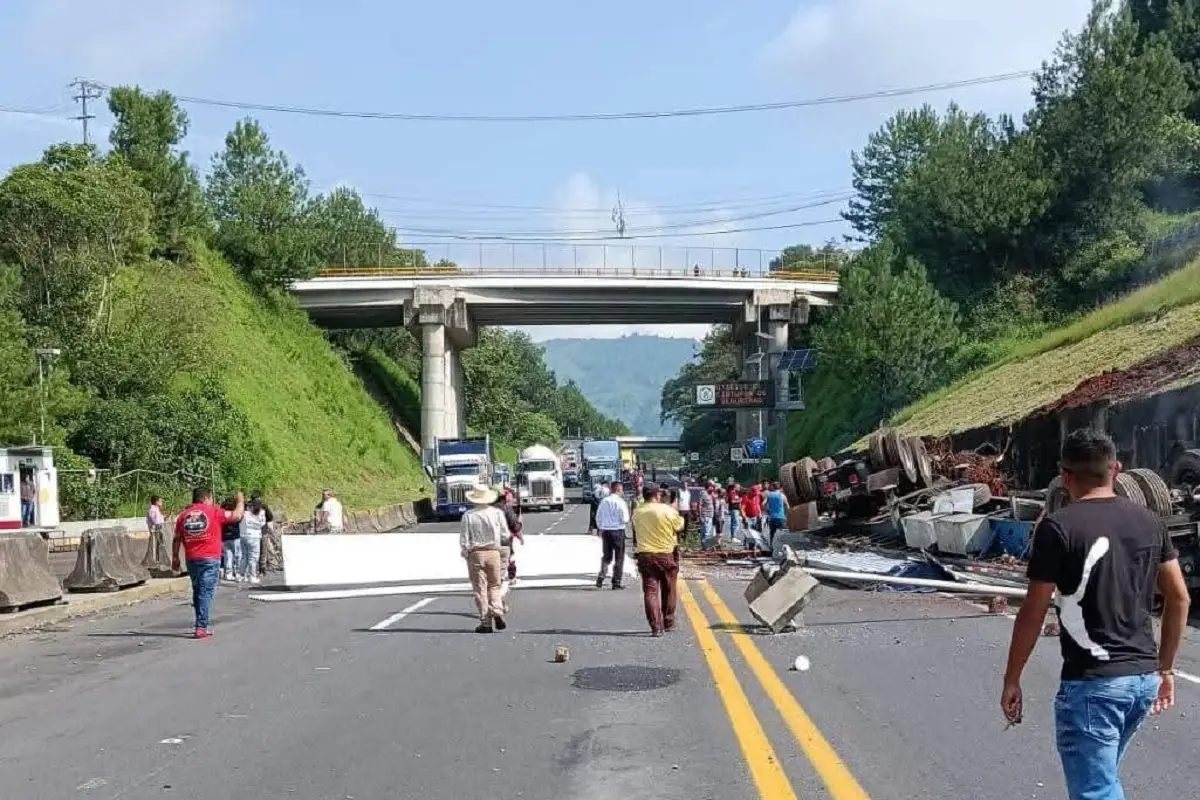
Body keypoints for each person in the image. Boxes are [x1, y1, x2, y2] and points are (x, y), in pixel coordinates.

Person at [1001, 429, 1190, 800]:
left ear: (1064, 476)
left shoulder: (1057, 528)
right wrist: (1165, 669)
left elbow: (1033, 611)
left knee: (1096, 791)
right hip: (1140, 681)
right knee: (1103, 782)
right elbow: (1179, 598)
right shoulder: (1151, 522)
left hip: (1094, 687)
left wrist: (1012, 678)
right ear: (1116, 469)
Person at [172, 487, 244, 638]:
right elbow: (237, 516)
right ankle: (201, 626)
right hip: (210, 558)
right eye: (211, 499)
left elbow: (177, 538)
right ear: (206, 499)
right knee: (206, 592)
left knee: (198, 590)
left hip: (191, 559)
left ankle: (200, 623)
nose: (212, 501)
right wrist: (240, 500)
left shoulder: (183, 516)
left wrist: (175, 558)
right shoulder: (214, 512)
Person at [631, 486, 685, 636]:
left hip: (645, 555)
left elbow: (635, 529)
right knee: (669, 589)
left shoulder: (637, 512)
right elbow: (680, 526)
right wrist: (675, 511)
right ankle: (668, 621)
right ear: (657, 495)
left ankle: (656, 626)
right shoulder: (668, 511)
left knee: (650, 592)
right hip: (666, 553)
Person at [459, 485, 509, 633]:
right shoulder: (497, 513)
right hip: (494, 552)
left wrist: (466, 552)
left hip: (476, 553)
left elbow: (464, 539)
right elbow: (505, 534)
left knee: (480, 588)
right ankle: (498, 610)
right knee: (495, 585)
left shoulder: (469, 515)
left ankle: (485, 622)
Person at [595, 480, 631, 590]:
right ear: (619, 490)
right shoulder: (620, 502)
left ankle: (602, 574)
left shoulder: (604, 501)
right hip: (618, 531)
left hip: (606, 531)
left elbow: (598, 517)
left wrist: (601, 527)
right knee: (619, 557)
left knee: (607, 555)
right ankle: (616, 581)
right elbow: (625, 519)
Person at [496, 488, 524, 598]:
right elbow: (515, 526)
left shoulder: (488, 510)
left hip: (488, 543)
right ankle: (509, 578)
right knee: (509, 558)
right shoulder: (506, 509)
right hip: (505, 541)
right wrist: (520, 523)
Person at [237, 496, 268, 584]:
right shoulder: (261, 512)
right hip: (254, 537)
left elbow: (239, 521)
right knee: (253, 558)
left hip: (243, 536)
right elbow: (262, 524)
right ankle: (252, 576)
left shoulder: (245, 513)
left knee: (244, 557)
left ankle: (241, 575)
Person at [220, 496, 242, 582]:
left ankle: (228, 574)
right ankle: (237, 573)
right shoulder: (235, 513)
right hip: (236, 536)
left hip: (225, 537)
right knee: (237, 556)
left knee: (228, 556)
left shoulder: (222, 513)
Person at [764, 481, 789, 549]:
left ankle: (771, 545)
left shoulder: (769, 495)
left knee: (772, 532)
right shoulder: (782, 495)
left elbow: (763, 504)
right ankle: (781, 547)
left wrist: (767, 511)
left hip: (772, 518)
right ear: (780, 487)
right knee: (781, 533)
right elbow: (787, 506)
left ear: (773, 487)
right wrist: (787, 515)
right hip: (781, 517)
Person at [698, 482, 716, 548]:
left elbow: (715, 497)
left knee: (705, 532)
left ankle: (705, 547)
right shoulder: (703, 494)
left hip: (709, 516)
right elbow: (699, 505)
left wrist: (712, 492)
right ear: (708, 487)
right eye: (711, 487)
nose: (713, 488)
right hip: (705, 516)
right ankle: (707, 547)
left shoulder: (710, 494)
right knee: (706, 533)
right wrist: (700, 516)